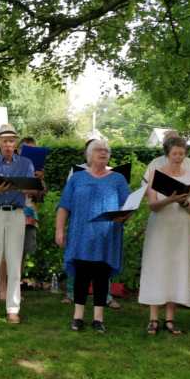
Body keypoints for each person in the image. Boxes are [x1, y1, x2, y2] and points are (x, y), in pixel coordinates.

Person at [55, 138, 130, 333]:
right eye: (98, 150)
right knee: (82, 273)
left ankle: (98, 319)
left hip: (107, 235)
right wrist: (59, 230)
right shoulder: (77, 178)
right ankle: (78, 317)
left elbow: (128, 207)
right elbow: (64, 206)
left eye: (106, 150)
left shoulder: (118, 179)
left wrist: (124, 216)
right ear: (89, 155)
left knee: (101, 275)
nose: (103, 153)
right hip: (81, 233)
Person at [138, 136, 190, 335]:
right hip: (161, 227)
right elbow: (152, 206)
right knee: (157, 267)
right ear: (167, 154)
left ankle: (170, 319)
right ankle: (153, 319)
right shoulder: (157, 174)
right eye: (174, 153)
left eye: (182, 154)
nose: (178, 157)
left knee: (177, 268)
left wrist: (185, 203)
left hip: (182, 229)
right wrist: (171, 199)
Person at [0, 124, 35, 324]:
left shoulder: (26, 164)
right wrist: (0, 188)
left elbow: (32, 190)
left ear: (16, 143)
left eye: (11, 140)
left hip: (16, 214)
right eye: (4, 140)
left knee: (14, 263)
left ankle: (13, 308)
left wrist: (35, 185)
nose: (8, 144)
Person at [0, 137, 44, 297]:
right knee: (4, 253)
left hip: (29, 214)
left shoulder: (37, 169)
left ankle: (14, 290)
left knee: (21, 254)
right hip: (10, 212)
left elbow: (39, 195)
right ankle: (2, 289)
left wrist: (39, 181)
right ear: (19, 150)